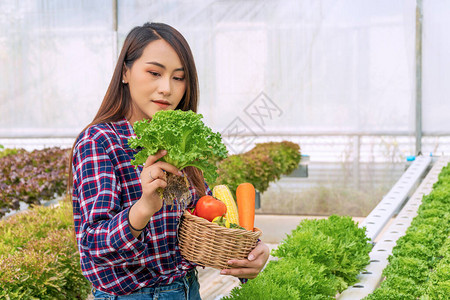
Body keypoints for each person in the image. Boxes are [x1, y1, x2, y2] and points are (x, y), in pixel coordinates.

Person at [68, 22, 270, 299]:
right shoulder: (100, 141)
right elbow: (95, 246)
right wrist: (143, 208)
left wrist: (251, 249)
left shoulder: (182, 140)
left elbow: (206, 216)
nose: (167, 88)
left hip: (188, 289)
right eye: (154, 73)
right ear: (125, 72)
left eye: (178, 77)